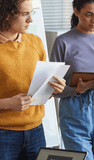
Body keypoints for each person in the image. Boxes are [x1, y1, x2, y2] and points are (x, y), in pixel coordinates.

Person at [50, 0, 94, 159]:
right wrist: (76, 90)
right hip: (74, 112)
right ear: (76, 12)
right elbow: (52, 89)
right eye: (88, 14)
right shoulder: (63, 42)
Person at [0, 0, 66, 159]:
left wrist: (53, 89)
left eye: (31, 13)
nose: (30, 20)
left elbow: (41, 89)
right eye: (24, 14)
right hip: (3, 134)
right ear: (7, 15)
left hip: (36, 130)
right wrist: (8, 103)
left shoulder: (35, 41)